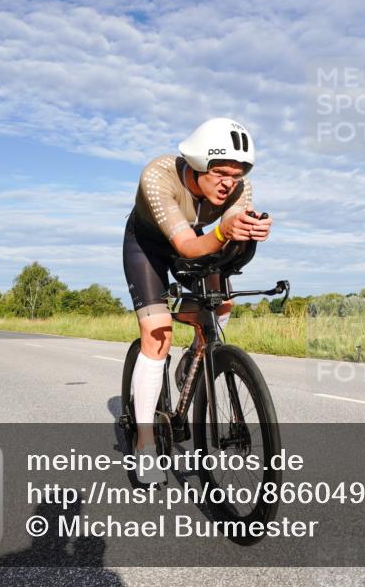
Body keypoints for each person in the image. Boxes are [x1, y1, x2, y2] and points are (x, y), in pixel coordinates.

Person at [122, 118, 272, 483]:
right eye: (220, 173)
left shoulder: (239, 188)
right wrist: (223, 230)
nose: (228, 183)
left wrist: (249, 230)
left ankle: (196, 358)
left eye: (236, 175)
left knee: (221, 303)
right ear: (196, 164)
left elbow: (230, 227)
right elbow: (187, 246)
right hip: (148, 247)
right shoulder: (158, 175)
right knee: (157, 332)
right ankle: (144, 445)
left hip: (196, 238)